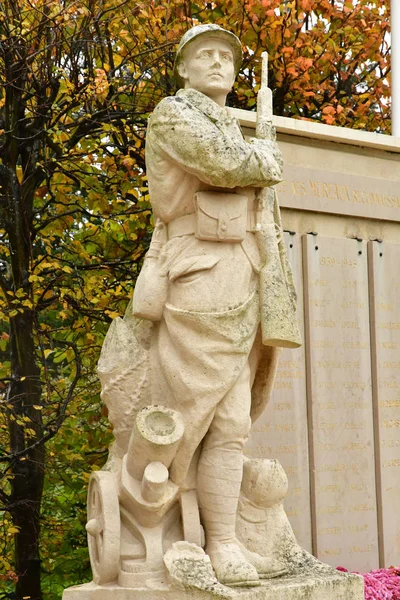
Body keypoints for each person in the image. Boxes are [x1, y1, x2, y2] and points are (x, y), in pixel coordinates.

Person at [133, 23, 299, 587]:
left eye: (226, 56)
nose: (217, 63)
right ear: (183, 68)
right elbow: (229, 165)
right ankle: (165, 531)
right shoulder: (173, 114)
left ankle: (224, 542)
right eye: (204, 55)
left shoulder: (231, 123)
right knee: (187, 414)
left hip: (242, 274)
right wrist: (264, 153)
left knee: (230, 423)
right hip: (197, 275)